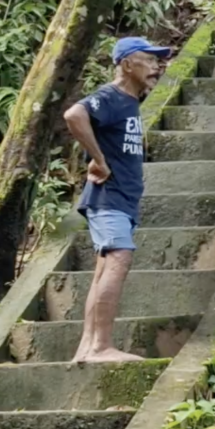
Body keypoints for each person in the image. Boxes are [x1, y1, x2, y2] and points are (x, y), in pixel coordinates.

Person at [63, 36, 171, 363]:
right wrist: (98, 160)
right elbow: (74, 115)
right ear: (126, 64)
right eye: (148, 59)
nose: (156, 66)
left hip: (121, 199)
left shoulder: (129, 102)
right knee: (119, 258)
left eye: (157, 60)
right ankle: (101, 347)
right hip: (109, 197)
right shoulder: (111, 96)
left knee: (103, 269)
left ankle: (87, 347)